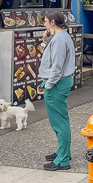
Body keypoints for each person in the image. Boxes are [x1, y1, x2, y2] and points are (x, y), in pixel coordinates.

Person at [38, 11, 76, 171]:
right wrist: (46, 40)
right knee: (60, 120)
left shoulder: (59, 39)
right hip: (60, 82)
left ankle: (63, 159)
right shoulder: (61, 37)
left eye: (46, 22)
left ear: (53, 22)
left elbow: (57, 66)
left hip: (57, 84)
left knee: (59, 122)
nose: (44, 25)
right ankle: (62, 151)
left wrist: (48, 85)